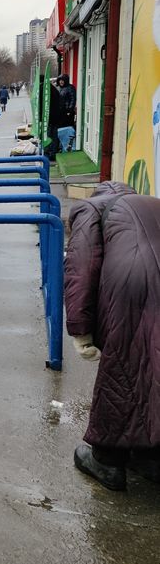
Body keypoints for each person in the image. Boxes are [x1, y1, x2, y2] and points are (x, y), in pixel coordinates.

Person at [64, 182, 160, 491]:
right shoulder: (151, 203)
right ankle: (150, 455)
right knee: (153, 366)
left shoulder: (91, 208)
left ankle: (106, 459)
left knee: (123, 369)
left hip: (133, 285)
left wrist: (80, 330)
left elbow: (81, 267)